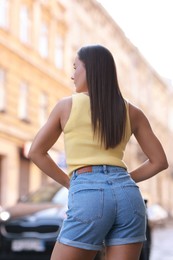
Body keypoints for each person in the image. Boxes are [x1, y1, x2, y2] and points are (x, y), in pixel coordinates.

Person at [28, 44, 168, 260]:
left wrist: (69, 182)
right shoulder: (132, 111)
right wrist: (121, 179)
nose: (72, 75)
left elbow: (36, 152)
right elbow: (159, 161)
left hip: (88, 194)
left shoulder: (66, 106)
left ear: (90, 70)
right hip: (129, 197)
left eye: (75, 67)